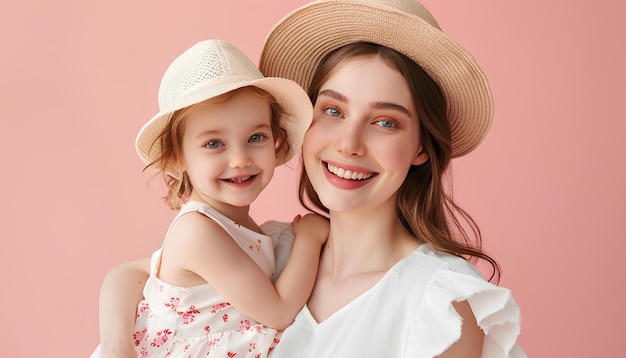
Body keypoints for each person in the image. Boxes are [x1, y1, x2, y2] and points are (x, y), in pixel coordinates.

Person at [95, 1, 526, 357]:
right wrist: (117, 343)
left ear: (420, 147)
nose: (349, 144)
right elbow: (136, 273)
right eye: (334, 112)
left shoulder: (436, 305)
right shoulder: (281, 249)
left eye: (386, 122)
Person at [90, 39, 328, 358]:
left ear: (276, 142)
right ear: (177, 159)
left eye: (256, 137)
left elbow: (130, 272)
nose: (240, 158)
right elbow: (279, 312)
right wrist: (310, 239)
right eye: (214, 144)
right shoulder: (197, 232)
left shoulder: (237, 226)